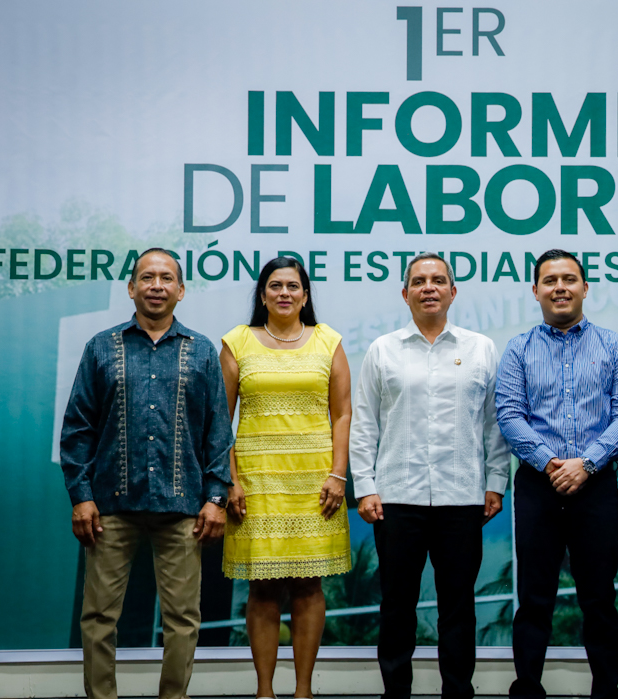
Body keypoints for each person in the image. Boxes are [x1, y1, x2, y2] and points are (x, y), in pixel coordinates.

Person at [60, 248, 234, 699]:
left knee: (183, 619)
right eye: (147, 277)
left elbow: (218, 432)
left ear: (181, 290)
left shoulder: (201, 350)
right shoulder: (101, 347)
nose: (157, 285)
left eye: (166, 278)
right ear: (131, 287)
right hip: (110, 507)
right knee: (98, 617)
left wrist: (216, 498)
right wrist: (81, 496)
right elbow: (77, 428)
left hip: (182, 507)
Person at [349, 252, 510, 699]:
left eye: (438, 280)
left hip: (462, 498)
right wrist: (365, 487)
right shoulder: (382, 350)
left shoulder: (481, 348)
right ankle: (396, 694)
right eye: (419, 282)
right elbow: (364, 425)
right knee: (396, 605)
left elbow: (494, 423)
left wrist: (496, 482)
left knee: (458, 606)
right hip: (396, 497)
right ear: (405, 294)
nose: (429, 288)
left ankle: (457, 693)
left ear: (453, 292)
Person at [495, 249, 618, 699]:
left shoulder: (614, 346)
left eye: (569, 279)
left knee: (599, 597)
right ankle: (527, 688)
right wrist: (551, 463)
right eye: (550, 280)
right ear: (535, 290)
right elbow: (509, 414)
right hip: (538, 486)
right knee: (534, 597)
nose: (560, 287)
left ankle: (607, 691)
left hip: (595, 486)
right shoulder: (518, 349)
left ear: (585, 287)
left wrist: (587, 463)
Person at [219, 256, 352, 699]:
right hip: (255, 484)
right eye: (275, 286)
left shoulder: (328, 340)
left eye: (293, 286)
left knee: (309, 586)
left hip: (316, 485)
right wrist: (230, 480)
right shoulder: (237, 342)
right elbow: (220, 420)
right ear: (262, 295)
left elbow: (342, 413)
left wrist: (338, 474)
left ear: (305, 295)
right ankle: (264, 692)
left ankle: (303, 692)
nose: (284, 293)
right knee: (262, 587)